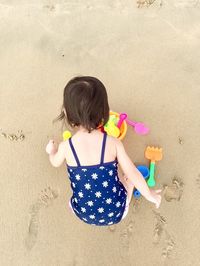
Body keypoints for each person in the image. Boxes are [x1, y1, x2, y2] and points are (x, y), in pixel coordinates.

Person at [46, 76, 161, 226]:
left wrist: (51, 151)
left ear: (68, 115)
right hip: (117, 213)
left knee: (84, 192)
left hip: (83, 214)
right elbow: (133, 173)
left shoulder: (66, 147)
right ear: (105, 113)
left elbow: (55, 162)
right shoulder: (113, 143)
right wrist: (149, 194)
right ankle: (128, 188)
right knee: (128, 176)